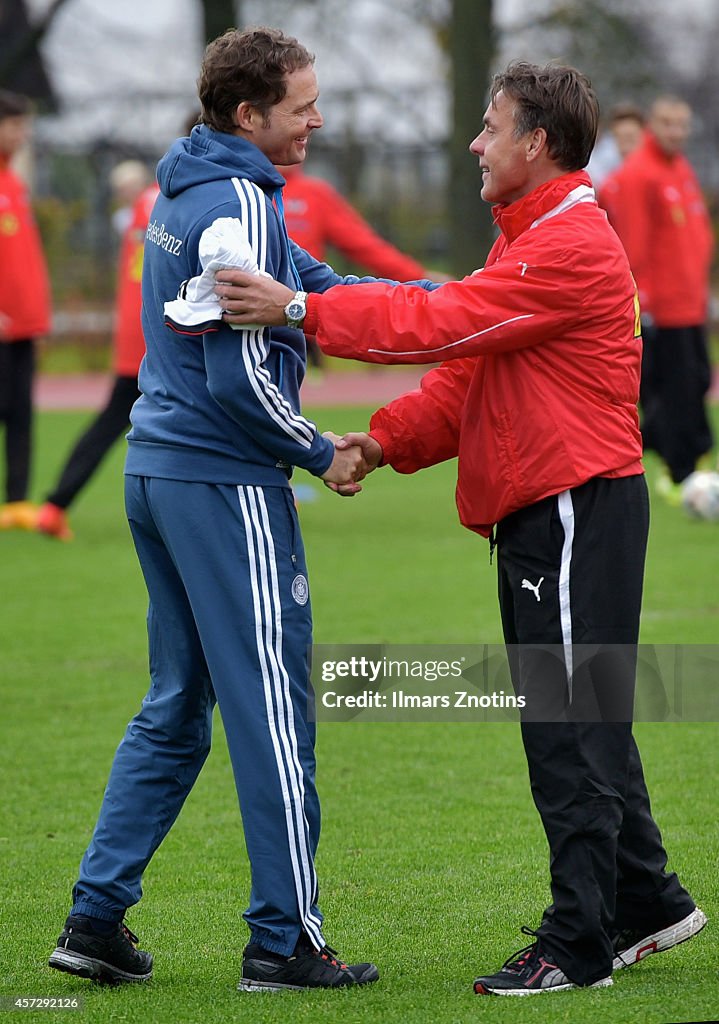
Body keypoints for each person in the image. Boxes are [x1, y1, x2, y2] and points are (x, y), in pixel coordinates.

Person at [218, 61, 707, 996]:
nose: (474, 144)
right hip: (551, 504)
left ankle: (578, 940)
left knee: (569, 721)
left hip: (571, 504)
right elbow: (471, 375)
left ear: (536, 144)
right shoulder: (531, 236)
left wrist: (298, 307)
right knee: (581, 708)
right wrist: (383, 443)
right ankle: (645, 898)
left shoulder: (566, 241)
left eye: (490, 128)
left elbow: (436, 321)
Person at [47, 25, 441, 992]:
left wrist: (441, 304)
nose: (316, 119)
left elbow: (307, 283)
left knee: (176, 706)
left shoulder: (195, 182)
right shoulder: (239, 199)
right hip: (223, 484)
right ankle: (284, 941)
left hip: (157, 471)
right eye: (301, 105)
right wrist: (320, 452)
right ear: (248, 114)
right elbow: (236, 378)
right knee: (271, 711)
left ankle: (95, 921)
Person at [598, 96, 715, 500]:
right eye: (668, 124)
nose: (676, 133)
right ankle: (681, 474)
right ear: (653, 125)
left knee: (697, 381)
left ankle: (677, 459)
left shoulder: (679, 168)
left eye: (682, 125)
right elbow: (633, 245)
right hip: (662, 307)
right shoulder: (637, 175)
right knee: (671, 391)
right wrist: (641, 302)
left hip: (690, 301)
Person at [35, 164, 159, 541]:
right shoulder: (179, 199)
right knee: (226, 410)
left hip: (139, 331)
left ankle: (55, 506)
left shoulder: (150, 200)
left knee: (110, 423)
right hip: (162, 336)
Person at [0, 90, 52, 531]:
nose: (22, 134)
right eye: (14, 125)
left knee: (21, 414)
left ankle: (16, 502)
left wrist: (36, 316)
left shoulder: (14, 183)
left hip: (23, 327)